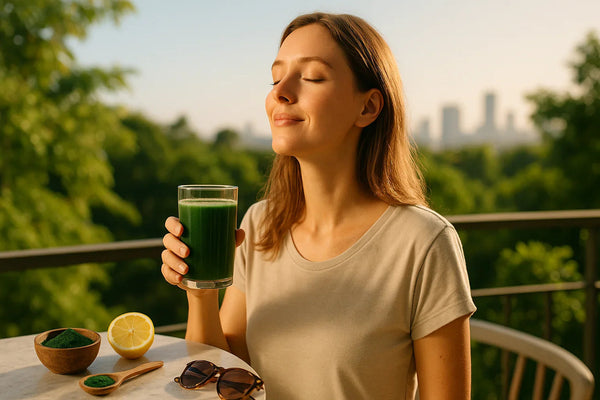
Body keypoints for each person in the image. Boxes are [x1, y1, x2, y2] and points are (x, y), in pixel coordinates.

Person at [162, 12, 476, 399]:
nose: (281, 91)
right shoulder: (259, 224)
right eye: (276, 78)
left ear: (368, 108)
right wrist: (201, 290)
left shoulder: (424, 242)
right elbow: (219, 375)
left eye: (310, 77)